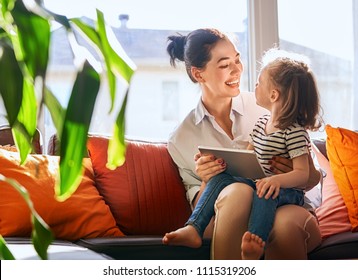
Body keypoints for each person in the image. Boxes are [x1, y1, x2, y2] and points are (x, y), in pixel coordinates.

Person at [162, 28, 322, 259]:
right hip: (229, 218)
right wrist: (208, 179)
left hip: (289, 207)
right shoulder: (182, 138)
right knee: (238, 190)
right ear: (199, 74)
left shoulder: (270, 104)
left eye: (237, 60)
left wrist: (294, 173)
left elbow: (314, 181)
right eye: (225, 64)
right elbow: (203, 207)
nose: (237, 69)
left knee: (284, 225)